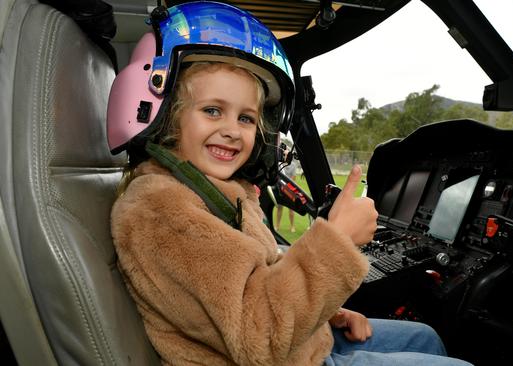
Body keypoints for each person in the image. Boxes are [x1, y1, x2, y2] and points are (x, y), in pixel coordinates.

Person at [107, 2, 472, 365]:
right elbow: (259, 337)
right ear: (167, 114)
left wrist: (326, 311)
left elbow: (253, 283)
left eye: (247, 118)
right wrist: (338, 239)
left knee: (426, 337)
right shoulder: (163, 212)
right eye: (212, 110)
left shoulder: (208, 193)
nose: (232, 130)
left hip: (293, 344)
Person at [275, 146, 299, 232]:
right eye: (284, 154)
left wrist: (286, 187)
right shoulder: (279, 164)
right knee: (279, 208)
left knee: (291, 209)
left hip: (290, 189)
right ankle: (277, 226)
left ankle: (292, 226)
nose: (285, 155)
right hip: (280, 189)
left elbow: (293, 179)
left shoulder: (293, 165)